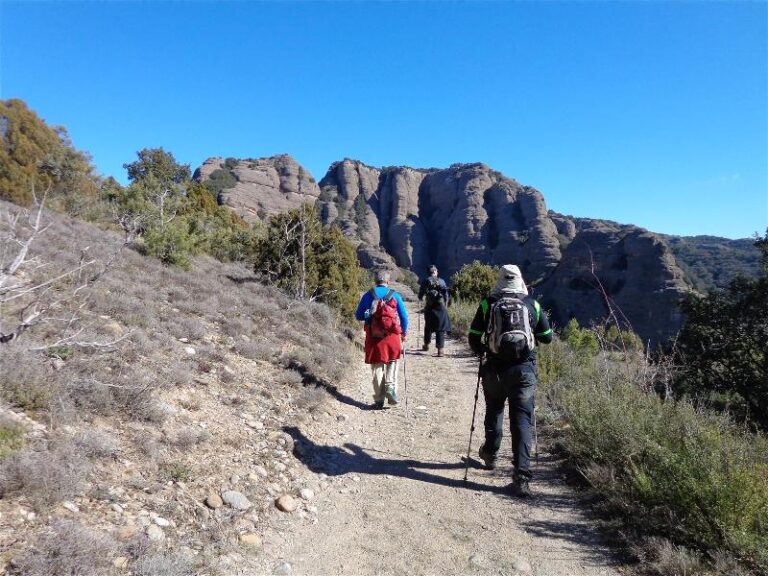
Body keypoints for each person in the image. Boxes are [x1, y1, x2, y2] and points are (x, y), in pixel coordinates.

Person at [467, 264, 552, 497]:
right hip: (524, 372)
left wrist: (485, 350)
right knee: (522, 421)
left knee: (494, 411)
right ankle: (522, 478)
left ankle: (490, 455)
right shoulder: (532, 304)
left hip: (494, 369)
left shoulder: (488, 304)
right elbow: (547, 338)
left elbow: (473, 337)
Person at [355, 270, 409, 409]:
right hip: (392, 336)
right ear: (388, 281)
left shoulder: (368, 295)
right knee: (392, 362)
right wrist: (403, 333)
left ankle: (379, 400)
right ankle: (390, 388)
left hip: (374, 337)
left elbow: (359, 316)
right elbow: (404, 317)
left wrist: (369, 316)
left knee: (377, 367)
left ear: (375, 281)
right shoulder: (395, 295)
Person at [418, 265, 451, 357]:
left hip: (429, 306)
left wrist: (420, 299)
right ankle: (440, 350)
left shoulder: (426, 281)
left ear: (428, 272)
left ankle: (426, 345)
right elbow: (446, 295)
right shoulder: (442, 281)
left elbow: (420, 294)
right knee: (440, 327)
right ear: (436, 272)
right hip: (440, 306)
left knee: (428, 326)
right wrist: (446, 305)